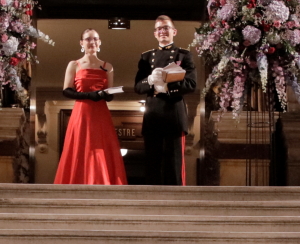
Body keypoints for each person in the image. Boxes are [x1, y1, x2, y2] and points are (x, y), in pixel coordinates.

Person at [55, 28, 128, 186]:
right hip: (82, 112)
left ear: (99, 42)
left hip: (100, 113)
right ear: (81, 43)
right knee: (81, 146)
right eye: (88, 39)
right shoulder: (74, 64)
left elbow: (110, 95)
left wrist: (106, 94)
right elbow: (67, 91)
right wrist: (90, 96)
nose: (92, 42)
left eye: (95, 39)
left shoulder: (107, 66)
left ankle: (102, 182)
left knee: (100, 146)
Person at [134, 15, 197, 185]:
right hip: (153, 113)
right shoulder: (146, 57)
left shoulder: (183, 55)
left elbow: (191, 84)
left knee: (173, 164)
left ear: (174, 31)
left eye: (166, 28)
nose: (162, 31)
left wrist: (168, 84)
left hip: (173, 112)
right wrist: (150, 81)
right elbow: (138, 87)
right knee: (152, 164)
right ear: (155, 34)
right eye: (159, 29)